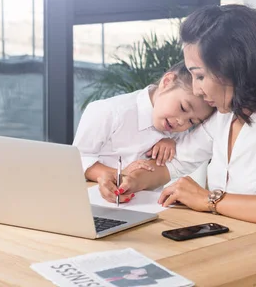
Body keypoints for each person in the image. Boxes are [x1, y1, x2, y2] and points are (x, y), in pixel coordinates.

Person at [97, 4, 256, 228]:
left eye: (200, 76)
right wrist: (129, 181)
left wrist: (208, 200)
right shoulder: (224, 116)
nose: (196, 90)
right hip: (218, 240)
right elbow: (174, 163)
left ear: (233, 68)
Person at [73, 61, 215, 202]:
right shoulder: (109, 111)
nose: (181, 122)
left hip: (146, 207)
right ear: (167, 82)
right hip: (97, 201)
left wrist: (172, 143)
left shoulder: (176, 131)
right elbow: (78, 159)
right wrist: (119, 176)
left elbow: (173, 167)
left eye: (192, 122)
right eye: (183, 108)